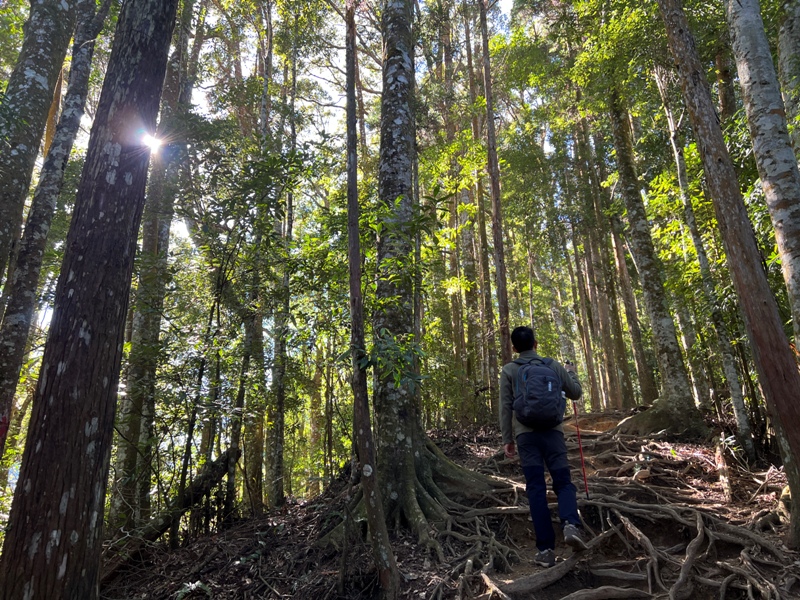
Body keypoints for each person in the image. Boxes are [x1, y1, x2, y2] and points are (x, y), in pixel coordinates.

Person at [500, 326, 587, 568]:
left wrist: (507, 438)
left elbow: (506, 407)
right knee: (563, 481)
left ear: (515, 348)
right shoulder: (553, 366)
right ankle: (570, 523)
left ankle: (546, 550)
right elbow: (575, 393)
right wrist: (573, 373)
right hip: (553, 433)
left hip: (526, 437)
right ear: (536, 344)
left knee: (536, 488)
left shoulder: (509, 370)